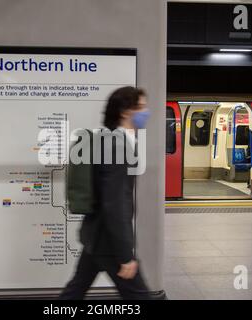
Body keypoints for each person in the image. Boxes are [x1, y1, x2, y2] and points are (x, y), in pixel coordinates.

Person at [59, 86, 152, 300]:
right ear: (125, 112)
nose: (146, 112)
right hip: (109, 242)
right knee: (139, 296)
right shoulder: (119, 146)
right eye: (142, 107)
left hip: (96, 235)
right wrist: (125, 255)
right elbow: (115, 203)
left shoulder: (107, 140)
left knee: (74, 291)